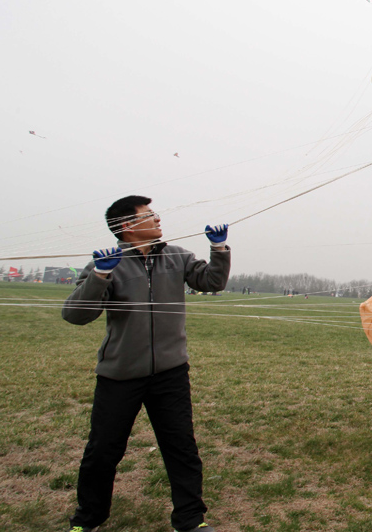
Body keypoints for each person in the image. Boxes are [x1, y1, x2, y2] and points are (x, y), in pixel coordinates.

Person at [62, 195, 230, 532]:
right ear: (127, 226)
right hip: (119, 375)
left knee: (181, 447)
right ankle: (87, 520)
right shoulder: (109, 263)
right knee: (103, 451)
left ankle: (190, 519)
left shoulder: (177, 257)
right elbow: (76, 315)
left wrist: (220, 250)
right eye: (149, 215)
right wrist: (99, 276)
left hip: (170, 373)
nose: (158, 220)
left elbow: (212, 282)